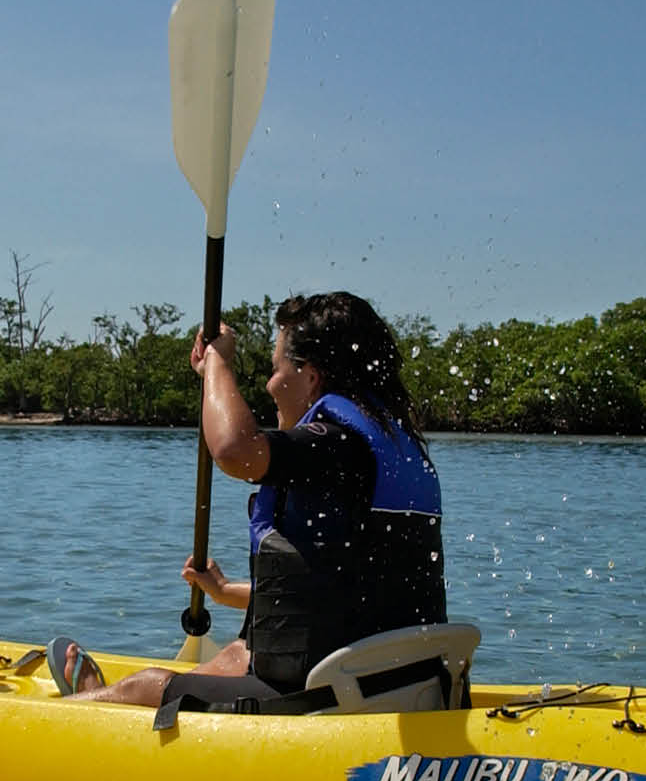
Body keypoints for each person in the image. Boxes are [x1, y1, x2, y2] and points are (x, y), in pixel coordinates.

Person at [57, 292, 444, 713]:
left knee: (144, 688)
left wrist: (218, 367)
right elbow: (343, 592)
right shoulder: (388, 449)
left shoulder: (337, 445)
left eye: (276, 369)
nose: (269, 384)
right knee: (235, 654)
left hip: (328, 702)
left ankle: (75, 710)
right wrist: (224, 592)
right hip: (408, 684)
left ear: (310, 376)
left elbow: (232, 449)